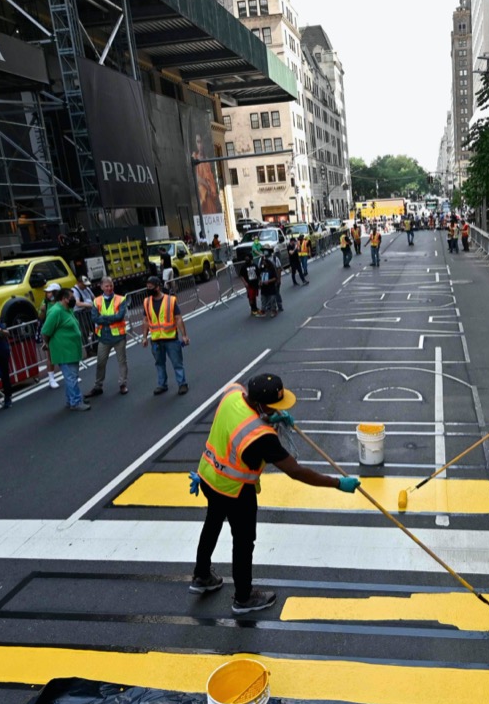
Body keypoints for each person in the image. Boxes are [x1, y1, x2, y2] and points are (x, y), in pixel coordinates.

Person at [189, 373, 360, 613]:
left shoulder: (233, 392)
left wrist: (271, 418)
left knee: (212, 522)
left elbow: (238, 419)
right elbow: (295, 471)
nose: (277, 409)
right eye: (273, 406)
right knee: (243, 541)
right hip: (235, 489)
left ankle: (202, 576)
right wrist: (337, 484)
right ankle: (243, 598)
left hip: (208, 475)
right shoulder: (261, 437)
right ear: (259, 405)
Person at [41, 287, 90, 411]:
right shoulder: (56, 311)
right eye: (71, 298)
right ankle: (76, 401)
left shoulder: (67, 309)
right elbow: (46, 331)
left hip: (71, 349)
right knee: (71, 377)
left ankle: (72, 399)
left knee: (71, 376)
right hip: (64, 350)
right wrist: (46, 343)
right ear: (64, 299)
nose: (74, 300)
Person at [143, 274, 189, 395]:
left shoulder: (170, 300)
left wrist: (184, 335)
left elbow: (178, 318)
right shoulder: (147, 302)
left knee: (177, 363)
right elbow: (146, 320)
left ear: (158, 287)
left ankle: (182, 384)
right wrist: (144, 337)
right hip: (156, 339)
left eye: (150, 286)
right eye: (147, 286)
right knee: (159, 363)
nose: (148, 289)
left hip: (171, 338)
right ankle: (162, 385)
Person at [88, 276, 130, 397]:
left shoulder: (121, 299)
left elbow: (120, 316)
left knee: (122, 361)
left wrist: (104, 319)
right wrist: (111, 318)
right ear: (101, 287)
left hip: (118, 337)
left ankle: (123, 384)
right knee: (100, 362)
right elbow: (94, 318)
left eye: (111, 285)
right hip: (104, 338)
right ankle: (98, 386)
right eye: (106, 286)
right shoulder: (96, 301)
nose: (109, 288)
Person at [257, 251, 283, 317]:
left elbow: (279, 269)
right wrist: (260, 281)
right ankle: (266, 309)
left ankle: (277, 307)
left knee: (274, 296)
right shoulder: (261, 260)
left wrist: (278, 280)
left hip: (272, 285)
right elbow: (259, 273)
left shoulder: (274, 258)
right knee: (264, 298)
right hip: (264, 286)